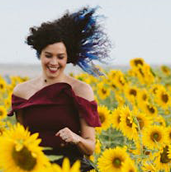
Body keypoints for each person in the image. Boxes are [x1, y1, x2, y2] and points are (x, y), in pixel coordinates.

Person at [9, 6, 111, 172]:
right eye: (48, 55)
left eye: (60, 57)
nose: (54, 62)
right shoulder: (22, 92)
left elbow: (90, 147)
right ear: (39, 55)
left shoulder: (81, 90)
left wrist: (75, 138)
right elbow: (22, 140)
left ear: (67, 58)